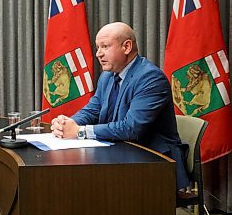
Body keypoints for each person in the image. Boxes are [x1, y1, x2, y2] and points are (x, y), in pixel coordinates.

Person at [50, 22, 189, 190]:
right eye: (97, 47)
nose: (98, 54)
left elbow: (131, 129)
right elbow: (92, 110)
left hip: (155, 161)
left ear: (127, 46)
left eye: (105, 46)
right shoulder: (107, 76)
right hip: (120, 155)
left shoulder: (150, 78)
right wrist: (67, 124)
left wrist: (80, 131)